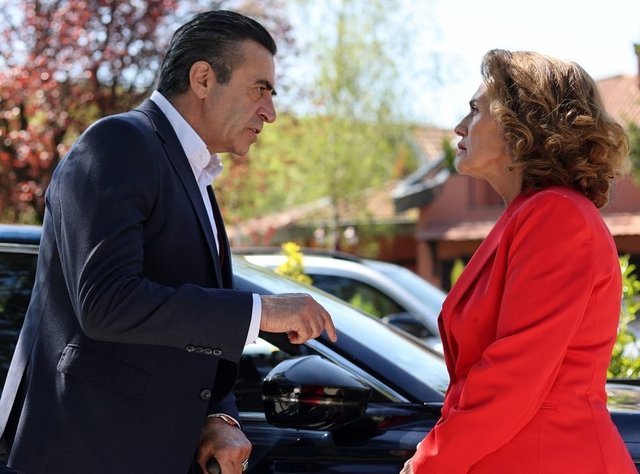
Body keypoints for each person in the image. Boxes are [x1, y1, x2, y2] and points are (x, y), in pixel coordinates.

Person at [0, 10, 337, 474]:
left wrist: (218, 415)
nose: (270, 112)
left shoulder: (193, 174)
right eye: (260, 89)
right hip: (84, 456)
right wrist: (262, 312)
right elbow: (108, 304)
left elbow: (184, 322)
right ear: (203, 79)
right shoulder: (118, 143)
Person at [401, 49, 635, 473]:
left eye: (475, 109)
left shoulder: (556, 216)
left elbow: (515, 374)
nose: (459, 125)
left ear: (523, 125)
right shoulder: (529, 214)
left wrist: (430, 461)